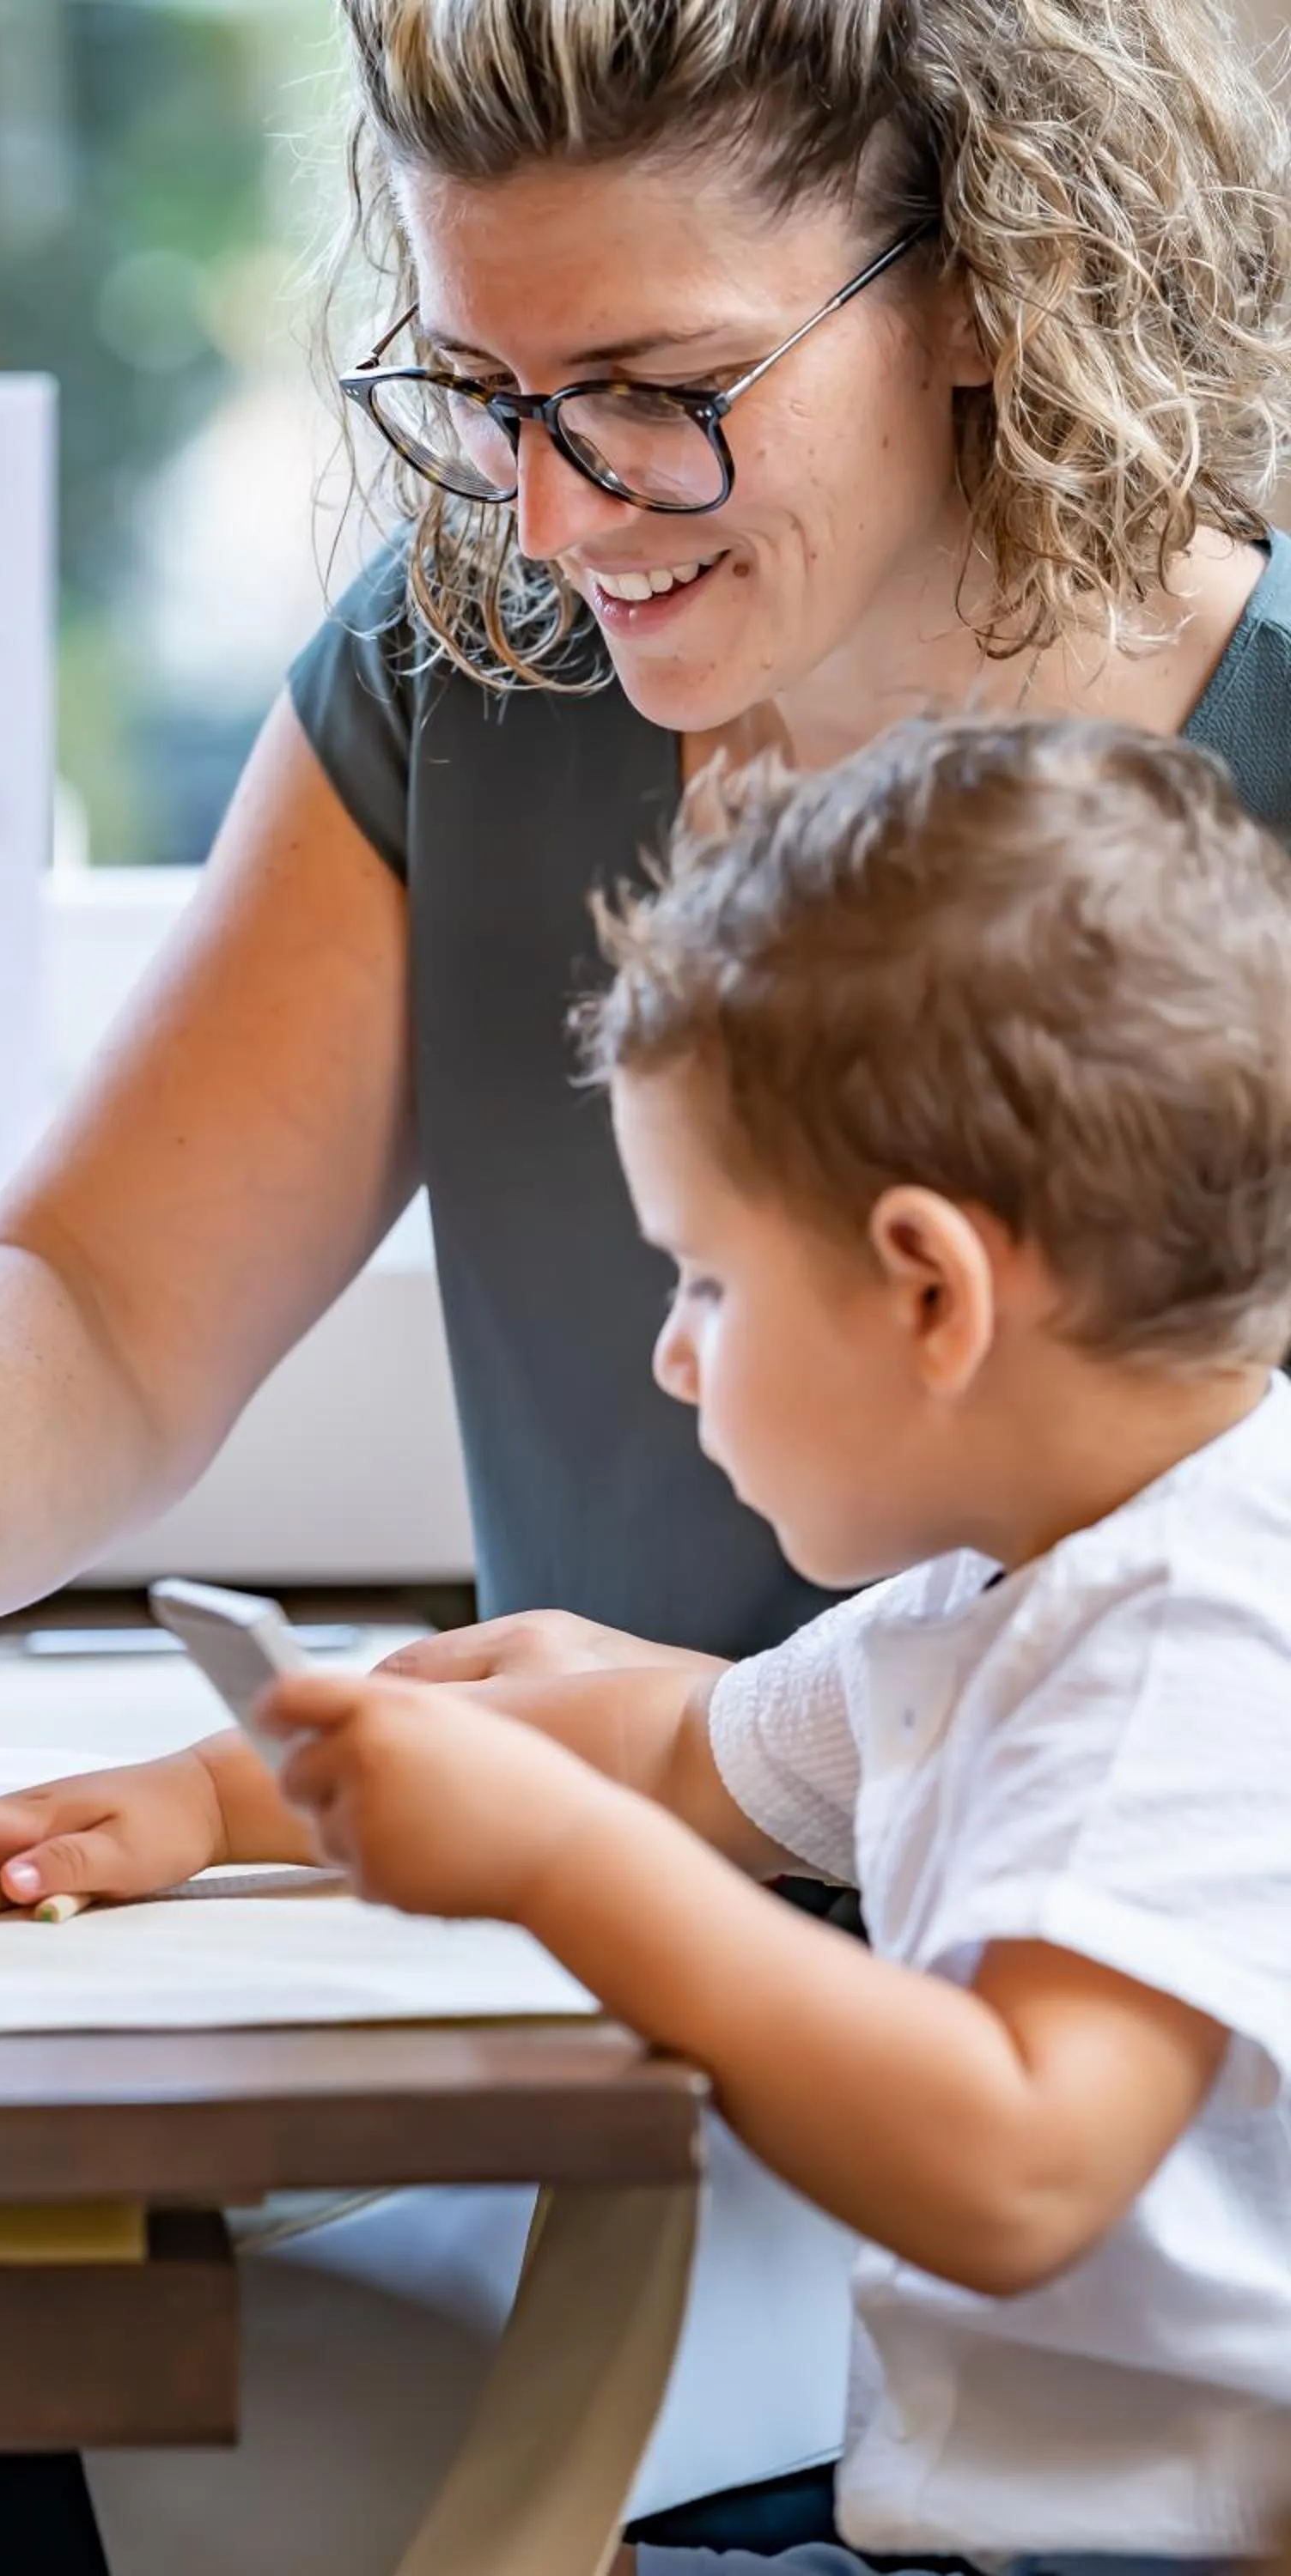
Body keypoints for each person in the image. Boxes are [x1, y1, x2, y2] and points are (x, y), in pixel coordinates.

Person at [0, 0, 1291, 2563]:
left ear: (985, 283)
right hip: (587, 2039)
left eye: (650, 386)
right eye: (474, 388)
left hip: (1066, 2190)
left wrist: (566, 1826)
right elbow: (107, 1298)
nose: (559, 505)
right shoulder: (475, 662)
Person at [253, 714, 1291, 2572]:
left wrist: (567, 1876)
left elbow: (1017, 2167)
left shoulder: (1186, 1645)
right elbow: (673, 1745)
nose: (670, 1351)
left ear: (928, 1289)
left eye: (706, 1281)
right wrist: (218, 1790)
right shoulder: (1026, 1587)